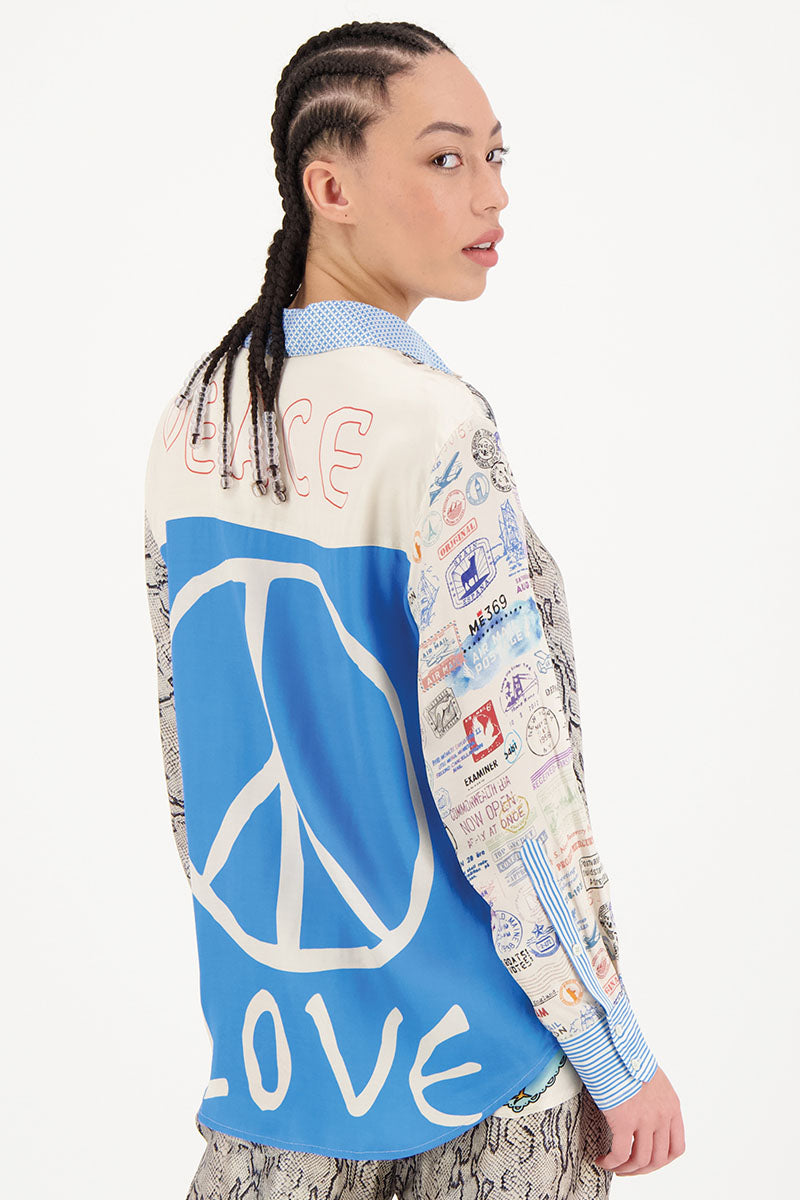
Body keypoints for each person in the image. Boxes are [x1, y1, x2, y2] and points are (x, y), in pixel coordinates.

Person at [143, 18, 685, 1200]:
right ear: (327, 188)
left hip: (282, 1071)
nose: (490, 194)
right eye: (444, 158)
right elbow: (508, 782)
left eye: (495, 155)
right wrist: (611, 1049)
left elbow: (196, 758)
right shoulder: (433, 425)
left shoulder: (197, 418)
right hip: (481, 1070)